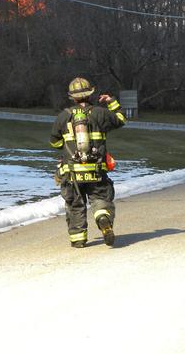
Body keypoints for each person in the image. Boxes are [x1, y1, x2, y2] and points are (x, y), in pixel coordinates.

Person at [50, 77, 126, 248]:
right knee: (100, 199)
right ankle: (102, 217)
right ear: (90, 94)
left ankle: (78, 239)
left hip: (72, 173)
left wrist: (67, 144)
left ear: (73, 97)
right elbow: (121, 119)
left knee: (75, 204)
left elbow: (54, 143)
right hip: (96, 170)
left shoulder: (63, 116)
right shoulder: (100, 113)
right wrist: (112, 102)